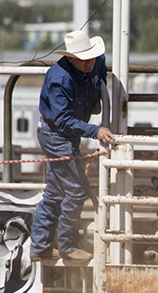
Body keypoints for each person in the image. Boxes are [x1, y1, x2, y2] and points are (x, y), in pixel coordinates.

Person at [29, 30, 115, 263]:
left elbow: (102, 69)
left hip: (65, 134)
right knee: (76, 189)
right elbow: (63, 120)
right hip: (55, 134)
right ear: (70, 58)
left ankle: (40, 245)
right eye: (83, 57)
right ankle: (66, 245)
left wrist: (97, 93)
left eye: (92, 56)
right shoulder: (60, 78)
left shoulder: (96, 63)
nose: (89, 61)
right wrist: (95, 130)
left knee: (57, 191)